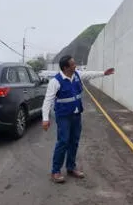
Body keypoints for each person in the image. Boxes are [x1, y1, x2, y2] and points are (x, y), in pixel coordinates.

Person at [41, 55, 115, 183]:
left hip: (76, 115)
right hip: (63, 116)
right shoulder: (55, 81)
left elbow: (89, 74)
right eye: (73, 64)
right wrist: (45, 118)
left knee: (74, 141)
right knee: (63, 142)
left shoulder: (77, 75)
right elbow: (48, 101)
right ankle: (55, 171)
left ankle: (71, 167)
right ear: (66, 67)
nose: (75, 66)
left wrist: (104, 73)